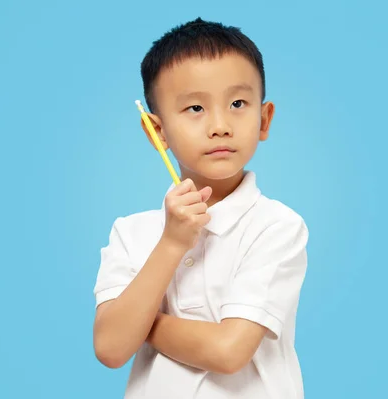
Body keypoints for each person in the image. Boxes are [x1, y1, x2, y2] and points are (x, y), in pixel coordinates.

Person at [92, 17, 309, 399]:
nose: (220, 125)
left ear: (264, 118)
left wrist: (141, 325)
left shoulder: (277, 226)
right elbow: (110, 349)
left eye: (238, 103)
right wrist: (172, 243)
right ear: (157, 132)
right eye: (195, 108)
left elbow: (228, 352)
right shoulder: (130, 233)